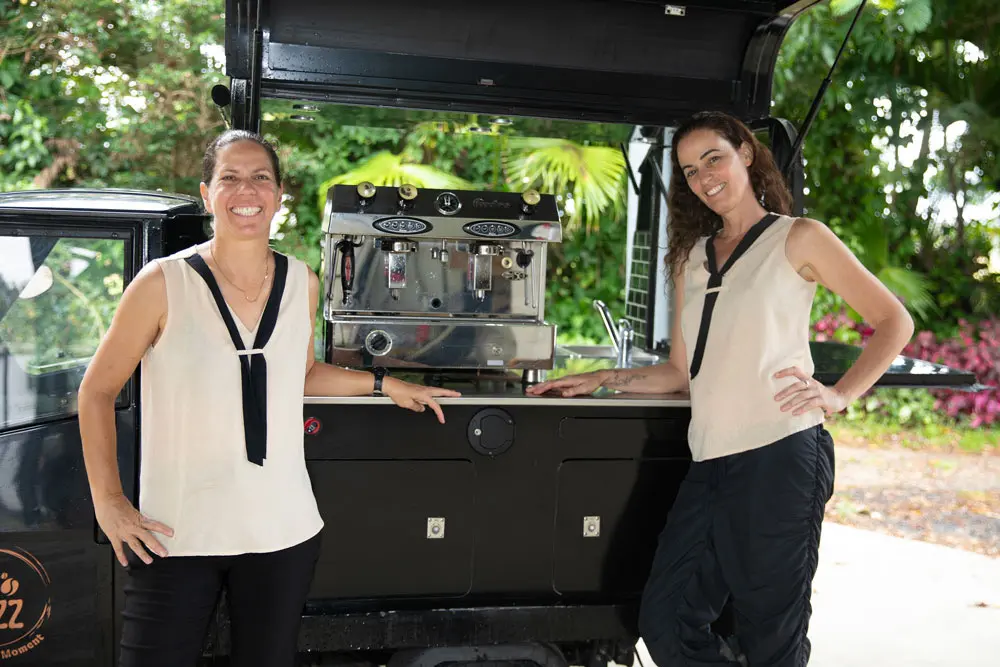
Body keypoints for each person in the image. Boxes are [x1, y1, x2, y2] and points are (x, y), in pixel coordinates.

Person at [527, 111, 914, 666]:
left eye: (714, 159)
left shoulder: (799, 237)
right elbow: (679, 373)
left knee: (770, 637)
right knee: (665, 621)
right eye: (690, 170)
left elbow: (894, 320)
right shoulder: (690, 256)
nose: (704, 177)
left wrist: (839, 394)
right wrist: (603, 379)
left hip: (781, 455)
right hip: (710, 460)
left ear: (746, 155)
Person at [78, 129, 461, 667]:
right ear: (207, 194)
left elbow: (297, 373)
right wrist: (109, 502)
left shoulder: (302, 281)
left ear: (279, 194)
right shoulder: (163, 283)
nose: (246, 191)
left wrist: (385, 384)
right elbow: (96, 391)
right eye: (229, 178)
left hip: (283, 531)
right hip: (177, 534)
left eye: (260, 177)